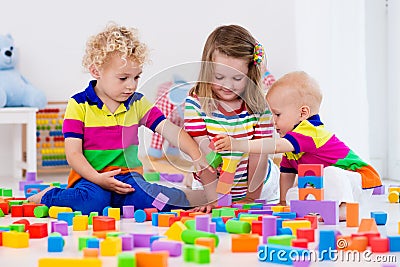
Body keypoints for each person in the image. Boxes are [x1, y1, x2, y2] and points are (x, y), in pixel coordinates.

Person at [27, 23, 211, 214]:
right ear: (96, 71)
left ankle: (191, 197)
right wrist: (98, 179)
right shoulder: (79, 104)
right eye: (123, 78)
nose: (131, 85)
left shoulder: (137, 103)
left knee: (153, 200)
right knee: (92, 204)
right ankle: (49, 195)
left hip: (128, 179)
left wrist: (195, 154)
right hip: (91, 179)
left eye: (136, 77)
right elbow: (73, 155)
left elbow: (169, 130)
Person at [214, 71, 382, 220]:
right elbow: (286, 174)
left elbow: (276, 147)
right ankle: (326, 208)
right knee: (293, 194)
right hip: (327, 184)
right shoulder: (292, 145)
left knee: (330, 173)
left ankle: (345, 208)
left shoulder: (310, 132)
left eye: (277, 114)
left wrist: (237, 144)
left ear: (303, 113)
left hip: (358, 180)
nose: (272, 121)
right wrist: (282, 202)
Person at [184, 24, 279, 212]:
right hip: (209, 186)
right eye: (219, 76)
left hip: (260, 187)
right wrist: (214, 199)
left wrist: (251, 197)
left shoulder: (259, 108)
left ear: (250, 74)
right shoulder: (195, 103)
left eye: (237, 78)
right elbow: (202, 155)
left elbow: (258, 156)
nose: (227, 85)